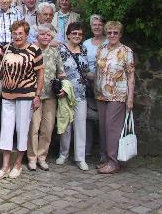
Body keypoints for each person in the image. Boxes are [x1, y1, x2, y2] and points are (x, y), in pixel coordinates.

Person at [0, 21, 43, 180]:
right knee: (6, 131)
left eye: (20, 33)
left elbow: (40, 75)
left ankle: (18, 164)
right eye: (14, 33)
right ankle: (5, 166)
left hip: (26, 96)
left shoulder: (35, 50)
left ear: (27, 34)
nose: (17, 36)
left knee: (22, 130)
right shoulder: (6, 48)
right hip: (7, 95)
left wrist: (37, 95)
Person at [94, 21, 135, 174]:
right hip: (101, 94)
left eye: (115, 33)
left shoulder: (126, 51)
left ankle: (114, 161)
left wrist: (130, 98)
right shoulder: (101, 49)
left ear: (120, 34)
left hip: (117, 95)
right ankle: (105, 159)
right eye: (109, 32)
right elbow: (98, 71)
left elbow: (131, 77)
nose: (112, 35)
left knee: (112, 128)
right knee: (103, 128)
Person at [27, 23, 65, 171]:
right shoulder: (31, 51)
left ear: (52, 37)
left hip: (50, 95)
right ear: (37, 36)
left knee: (47, 128)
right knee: (33, 127)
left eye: (48, 35)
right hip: (34, 95)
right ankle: (31, 157)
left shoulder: (55, 52)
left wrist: (62, 86)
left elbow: (61, 72)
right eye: (42, 34)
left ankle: (42, 157)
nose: (45, 37)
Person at [57, 22, 90, 171]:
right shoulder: (61, 49)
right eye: (74, 33)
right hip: (66, 93)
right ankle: (63, 154)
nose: (77, 36)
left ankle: (80, 157)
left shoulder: (83, 50)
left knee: (80, 126)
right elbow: (58, 70)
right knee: (66, 125)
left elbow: (86, 70)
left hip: (81, 94)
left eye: (80, 34)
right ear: (68, 35)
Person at [82, 14, 106, 159]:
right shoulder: (86, 43)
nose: (97, 27)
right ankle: (86, 150)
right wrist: (89, 75)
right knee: (88, 118)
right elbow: (82, 63)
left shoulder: (109, 41)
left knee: (104, 119)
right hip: (89, 84)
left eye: (99, 24)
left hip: (104, 85)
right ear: (91, 27)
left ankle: (104, 152)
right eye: (94, 25)